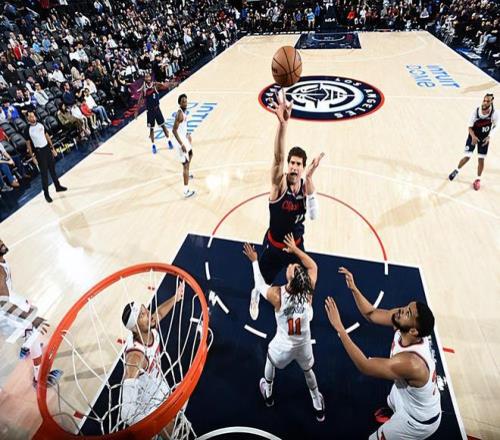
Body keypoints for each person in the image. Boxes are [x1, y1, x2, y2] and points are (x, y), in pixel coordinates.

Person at [324, 267, 441, 440]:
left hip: (417, 420)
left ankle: (400, 426)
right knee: (392, 398)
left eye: (408, 312)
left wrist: (340, 329)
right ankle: (394, 410)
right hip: (411, 396)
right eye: (406, 307)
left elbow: (365, 366)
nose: (402, 310)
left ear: (414, 331)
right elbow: (371, 314)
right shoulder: (403, 323)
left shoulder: (411, 363)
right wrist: (354, 289)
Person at [250, 89, 324, 320]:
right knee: (262, 281)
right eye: (291, 163)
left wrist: (310, 179)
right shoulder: (278, 185)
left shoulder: (306, 186)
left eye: (298, 164)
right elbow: (278, 157)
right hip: (274, 247)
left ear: (303, 167)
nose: (293, 166)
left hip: (296, 247)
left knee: (306, 282)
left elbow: (314, 216)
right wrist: (283, 125)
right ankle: (255, 295)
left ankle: (305, 307)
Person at [243, 234, 325, 421]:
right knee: (308, 371)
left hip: (284, 345)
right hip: (303, 344)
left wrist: (254, 261)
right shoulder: (308, 290)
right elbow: (313, 266)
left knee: (270, 361)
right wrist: (296, 250)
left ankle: (268, 392)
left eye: (293, 267)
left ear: (290, 278)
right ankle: (317, 403)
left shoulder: (277, 295)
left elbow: (259, 284)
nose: (291, 264)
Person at [120, 280, 184, 436]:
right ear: (135, 328)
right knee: (170, 432)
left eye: (145, 309)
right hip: (146, 405)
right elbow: (126, 413)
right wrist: (154, 422)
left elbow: (159, 313)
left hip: (158, 385)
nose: (149, 313)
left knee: (176, 419)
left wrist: (176, 297)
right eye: (142, 315)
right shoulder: (136, 358)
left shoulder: (149, 326)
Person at [0, 239, 62, 388]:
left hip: (9, 300)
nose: (1, 242)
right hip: (3, 314)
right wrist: (31, 319)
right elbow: (3, 304)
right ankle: (39, 378)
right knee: (33, 333)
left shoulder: (2, 262)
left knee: (28, 307)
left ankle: (25, 346)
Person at [448, 93, 498, 190]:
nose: (485, 102)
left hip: (484, 139)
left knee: (481, 160)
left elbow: (496, 126)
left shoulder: (495, 113)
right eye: (484, 100)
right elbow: (469, 127)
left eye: (487, 101)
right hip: (473, 136)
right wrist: (474, 137)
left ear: (491, 102)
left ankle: (478, 179)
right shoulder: (476, 111)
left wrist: (489, 136)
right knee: (467, 157)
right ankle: (457, 170)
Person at [24, 111, 67, 203]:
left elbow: (47, 135)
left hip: (47, 148)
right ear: (28, 118)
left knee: (52, 169)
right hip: (39, 152)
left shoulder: (40, 124)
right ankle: (46, 194)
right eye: (31, 116)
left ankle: (58, 186)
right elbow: (28, 144)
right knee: (44, 174)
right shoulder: (27, 130)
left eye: (33, 116)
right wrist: (33, 157)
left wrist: (52, 148)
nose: (33, 117)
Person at [134, 72, 174, 154]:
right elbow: (140, 100)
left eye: (148, 76)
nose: (148, 78)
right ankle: (153, 145)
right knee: (151, 129)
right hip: (150, 111)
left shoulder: (155, 85)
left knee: (163, 126)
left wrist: (173, 84)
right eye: (146, 77)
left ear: (150, 77)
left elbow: (165, 85)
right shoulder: (144, 89)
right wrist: (137, 111)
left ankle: (169, 141)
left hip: (157, 109)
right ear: (144, 78)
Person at [171, 94, 195, 198]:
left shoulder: (184, 112)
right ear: (179, 103)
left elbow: (183, 126)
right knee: (185, 164)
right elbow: (174, 130)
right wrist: (181, 144)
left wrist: (187, 134)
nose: (185, 103)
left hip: (183, 138)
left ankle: (187, 173)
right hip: (179, 141)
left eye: (186, 101)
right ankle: (186, 191)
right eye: (183, 101)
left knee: (191, 154)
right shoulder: (179, 114)